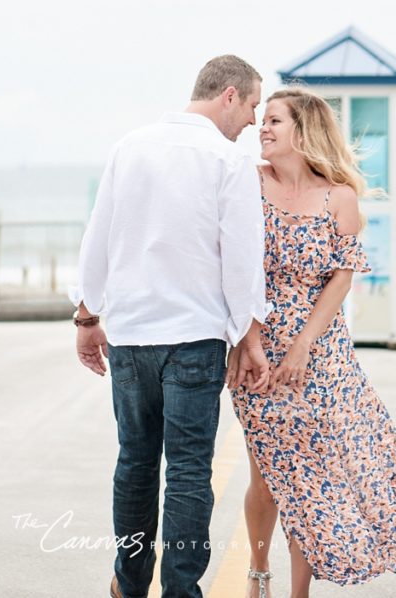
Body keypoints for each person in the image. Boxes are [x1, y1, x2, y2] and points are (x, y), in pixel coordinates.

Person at [228, 88, 396, 598]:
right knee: (268, 475)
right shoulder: (247, 185)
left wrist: (304, 344)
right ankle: (258, 577)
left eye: (275, 120)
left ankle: (299, 592)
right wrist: (250, 337)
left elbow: (340, 279)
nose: (263, 127)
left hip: (322, 355)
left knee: (313, 481)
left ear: (304, 131)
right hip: (254, 350)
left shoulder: (339, 198)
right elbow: (235, 266)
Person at [70, 54, 272, 598]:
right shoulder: (226, 162)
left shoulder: (128, 147)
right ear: (229, 95)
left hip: (132, 337)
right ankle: (182, 592)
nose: (253, 121)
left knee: (135, 461)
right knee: (187, 470)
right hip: (194, 339)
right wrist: (247, 337)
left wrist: (87, 317)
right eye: (253, 105)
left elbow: (99, 238)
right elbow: (241, 261)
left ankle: (129, 585)